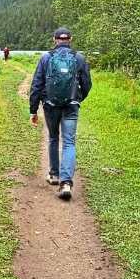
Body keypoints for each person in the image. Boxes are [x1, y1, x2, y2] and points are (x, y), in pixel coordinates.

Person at [28, 27, 91, 200]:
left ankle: (54, 175)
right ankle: (66, 183)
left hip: (50, 105)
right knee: (69, 142)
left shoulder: (46, 58)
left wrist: (33, 110)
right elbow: (87, 85)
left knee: (54, 137)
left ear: (54, 39)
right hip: (71, 106)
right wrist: (77, 99)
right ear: (70, 39)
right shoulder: (79, 58)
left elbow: (36, 85)